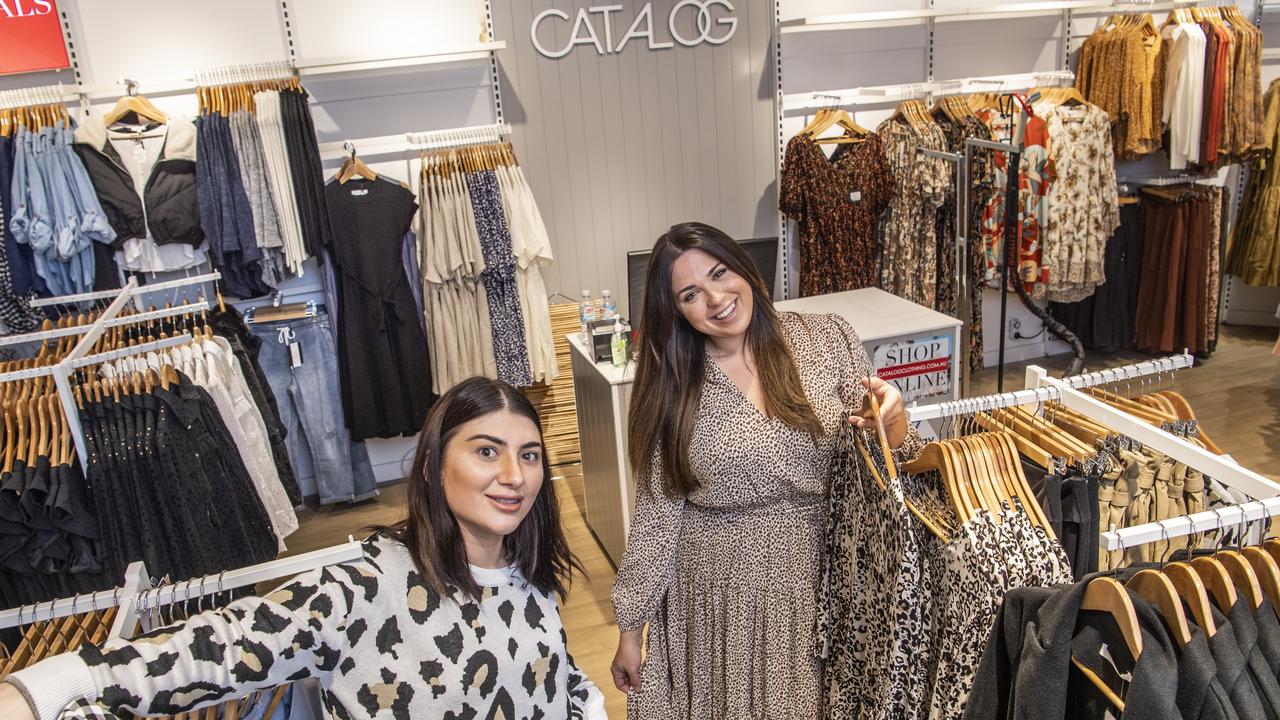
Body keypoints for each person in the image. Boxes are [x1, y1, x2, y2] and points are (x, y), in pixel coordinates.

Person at [0, 377, 607, 720]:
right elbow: (217, 648)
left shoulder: (530, 574)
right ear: (430, 467)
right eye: (485, 450)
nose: (514, 475)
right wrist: (39, 693)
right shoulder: (365, 587)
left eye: (528, 455)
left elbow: (554, 674)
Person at [609, 222, 923, 718]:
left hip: (821, 582)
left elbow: (882, 462)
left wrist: (895, 418)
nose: (716, 299)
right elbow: (656, 518)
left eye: (720, 272)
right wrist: (632, 628)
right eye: (692, 294)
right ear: (676, 312)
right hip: (718, 601)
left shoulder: (823, 339)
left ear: (743, 266)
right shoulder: (674, 387)